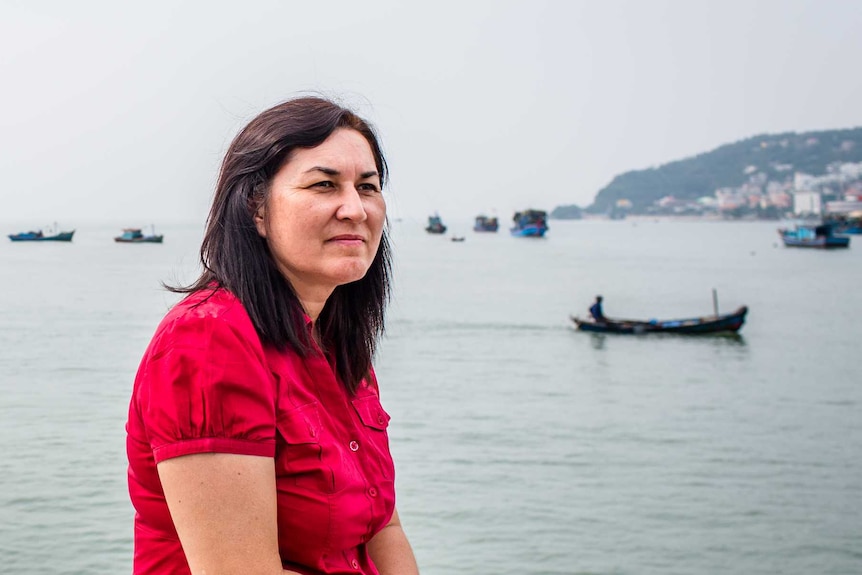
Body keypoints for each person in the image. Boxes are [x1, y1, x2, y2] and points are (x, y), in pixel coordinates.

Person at [125, 96, 419, 575]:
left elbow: (382, 527)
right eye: (324, 184)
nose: (354, 209)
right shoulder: (207, 341)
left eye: (367, 187)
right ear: (256, 209)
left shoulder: (335, 342)